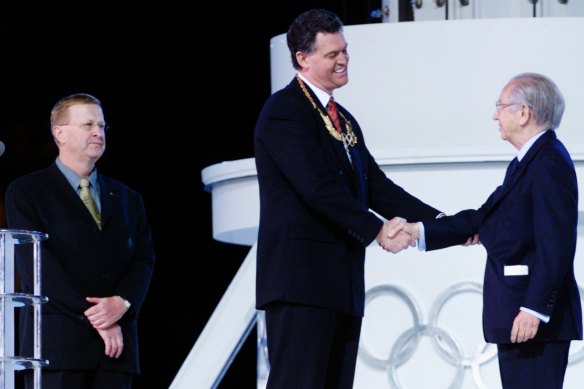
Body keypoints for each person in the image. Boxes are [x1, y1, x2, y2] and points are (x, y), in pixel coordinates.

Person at [253, 8, 445, 389]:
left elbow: (376, 186)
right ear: (302, 59)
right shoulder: (284, 112)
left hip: (341, 284)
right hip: (301, 285)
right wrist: (379, 231)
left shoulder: (345, 120)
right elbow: (318, 189)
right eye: (331, 54)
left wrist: (439, 222)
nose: (343, 60)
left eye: (344, 50)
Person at [397, 73, 583, 389]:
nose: (495, 114)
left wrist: (534, 309)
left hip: (532, 321)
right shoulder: (526, 163)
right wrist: (418, 230)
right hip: (517, 315)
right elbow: (486, 218)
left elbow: (557, 246)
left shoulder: (549, 163)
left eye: (501, 106)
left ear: (524, 112)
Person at [5, 93, 156, 389]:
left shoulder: (128, 198)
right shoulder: (26, 192)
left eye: (101, 125)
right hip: (57, 347)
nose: (98, 132)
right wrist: (103, 319)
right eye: (88, 124)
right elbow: (39, 268)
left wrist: (122, 303)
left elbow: (144, 259)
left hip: (115, 351)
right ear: (59, 133)